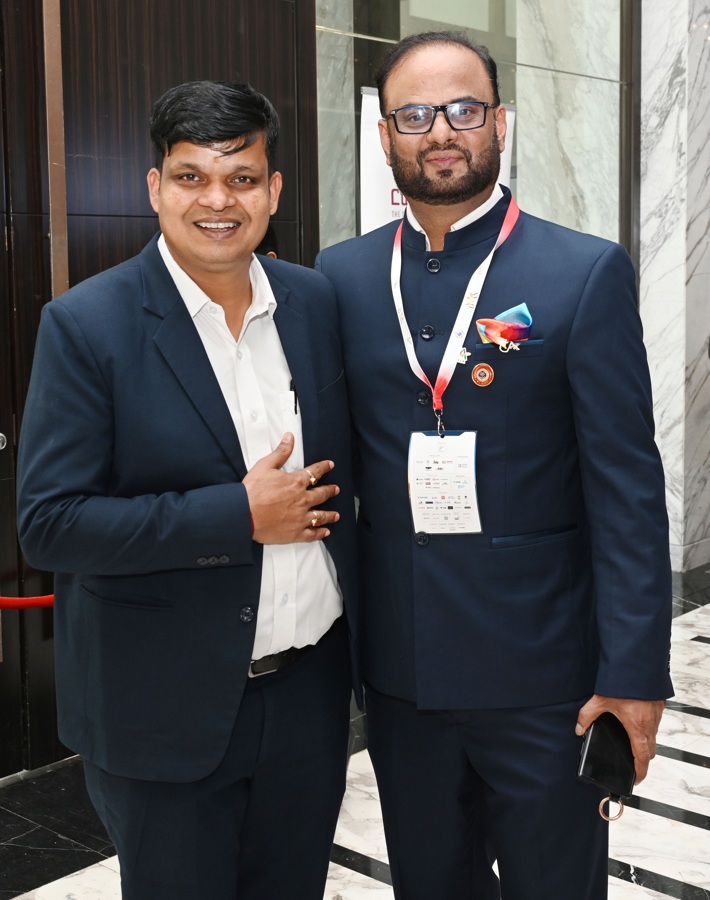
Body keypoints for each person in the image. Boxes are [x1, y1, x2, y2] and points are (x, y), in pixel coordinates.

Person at [316, 30, 672, 900]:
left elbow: (627, 492)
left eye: (464, 109)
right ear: (384, 135)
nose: (441, 131)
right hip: (402, 678)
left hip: (545, 679)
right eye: (414, 115)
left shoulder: (581, 272)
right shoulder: (341, 277)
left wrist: (633, 676)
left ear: (500, 123)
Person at [17, 80, 359, 900]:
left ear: (274, 191)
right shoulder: (87, 324)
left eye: (242, 178)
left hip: (309, 698)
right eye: (191, 176)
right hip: (161, 710)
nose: (217, 200)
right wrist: (238, 515)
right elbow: (50, 524)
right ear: (155, 187)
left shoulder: (315, 303)